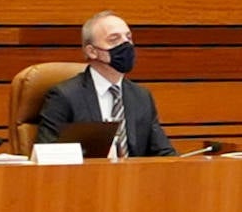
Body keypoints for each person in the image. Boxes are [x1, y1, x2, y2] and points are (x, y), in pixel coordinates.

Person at [35, 11, 175, 157]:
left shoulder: (141, 96)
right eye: (114, 40)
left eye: (128, 38)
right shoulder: (65, 96)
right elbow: (47, 156)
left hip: (134, 177)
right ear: (92, 52)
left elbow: (163, 153)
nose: (125, 44)